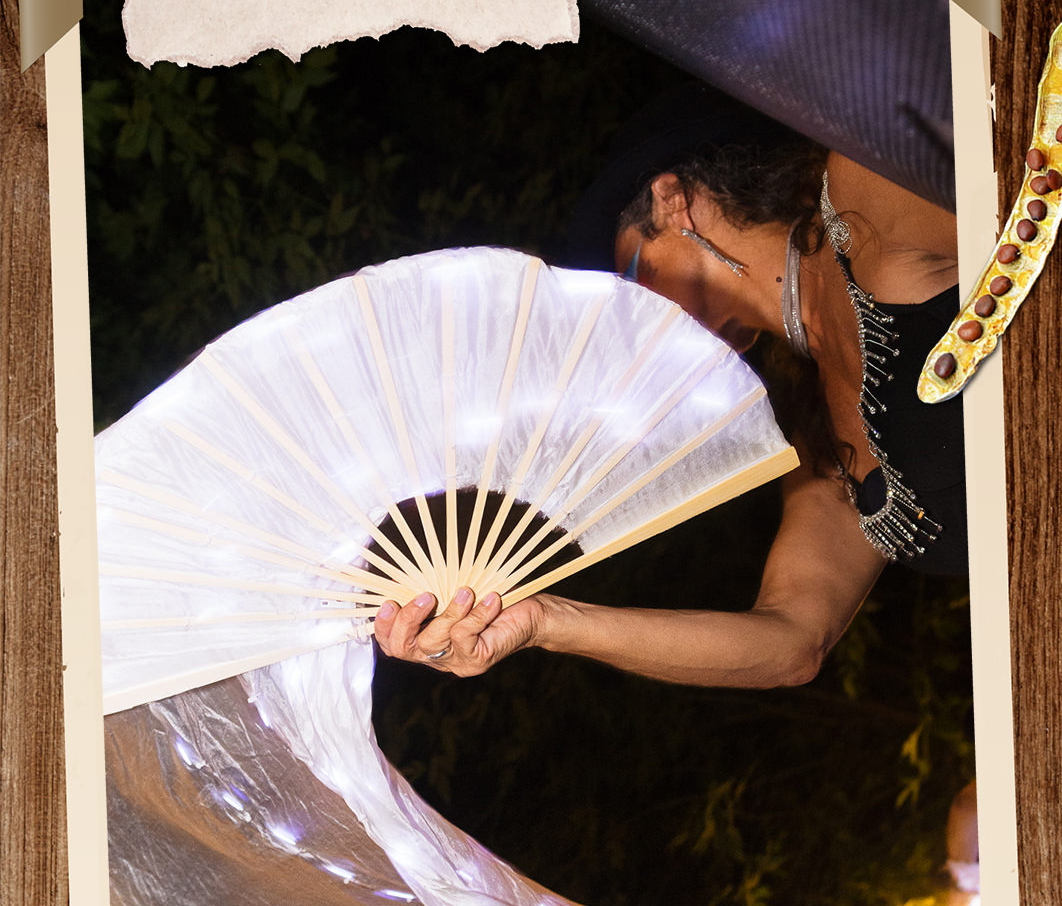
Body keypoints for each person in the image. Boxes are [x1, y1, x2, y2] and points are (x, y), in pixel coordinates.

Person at [373, 84, 964, 688]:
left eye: (628, 283)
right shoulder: (819, 441)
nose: (631, 330)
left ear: (672, 201)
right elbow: (791, 642)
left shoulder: (866, 200)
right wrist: (544, 622)